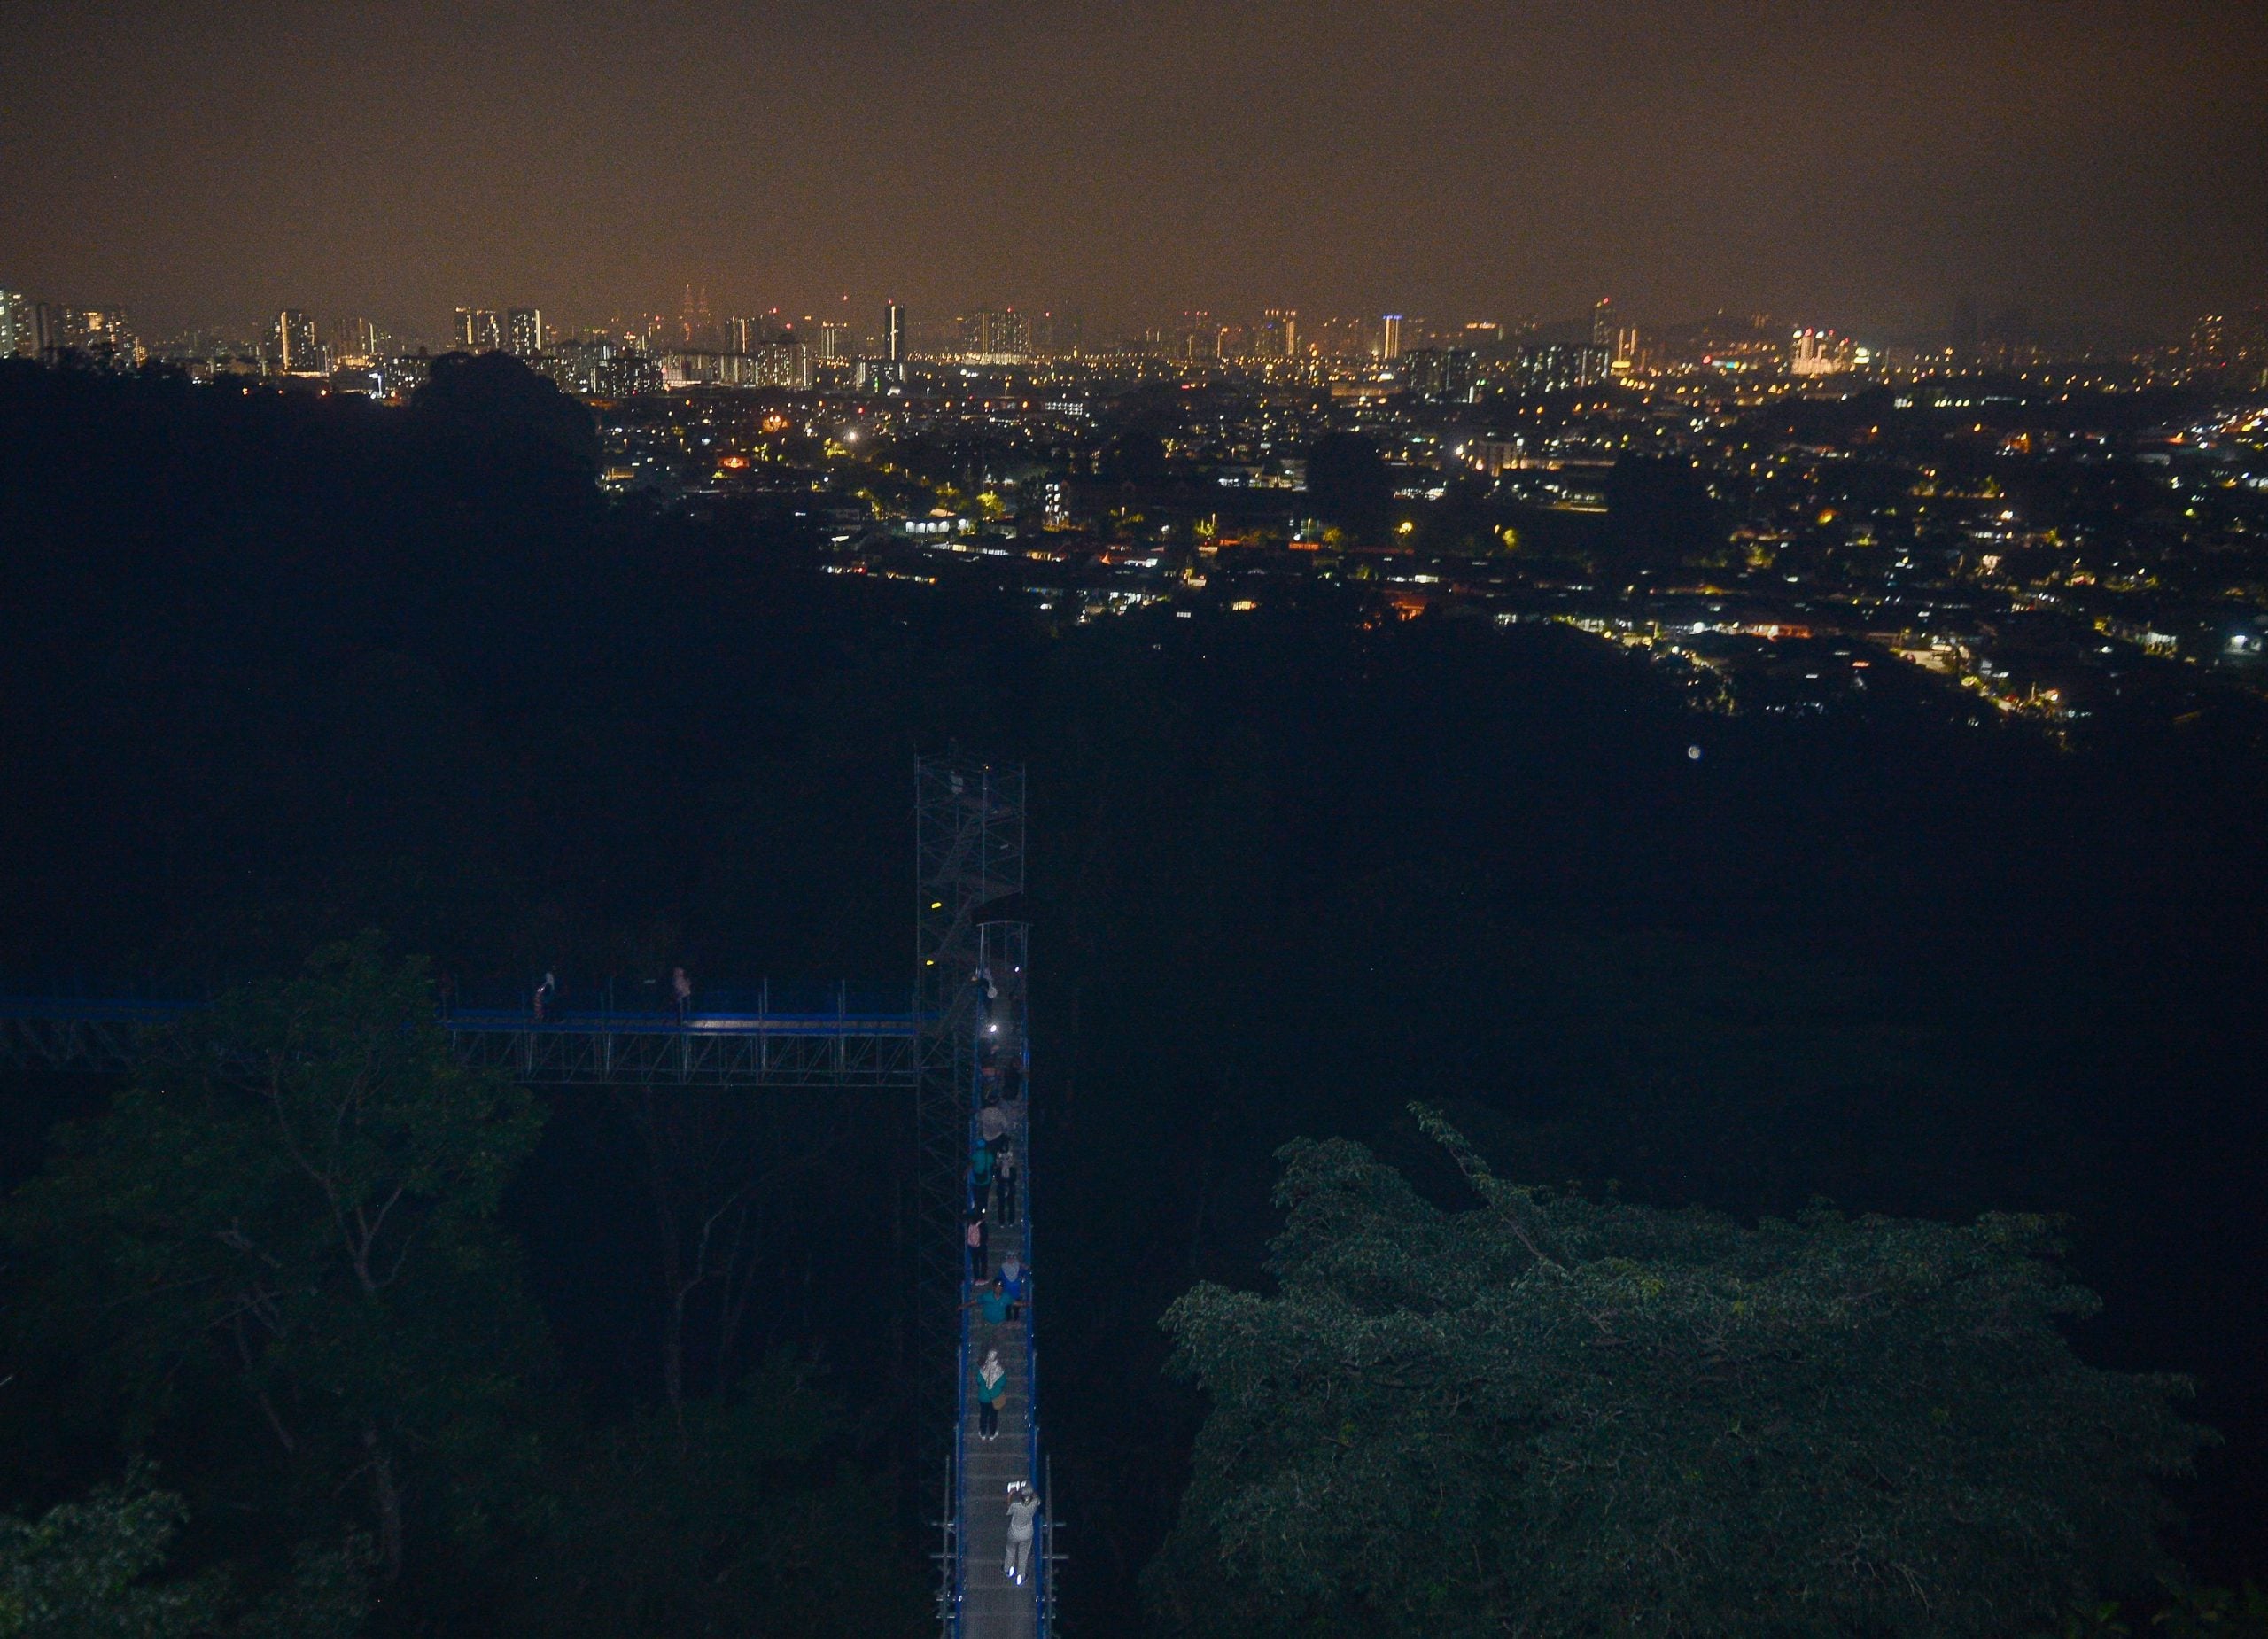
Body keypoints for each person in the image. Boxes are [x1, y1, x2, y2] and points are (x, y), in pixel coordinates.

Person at [1005, 1483, 1040, 1586]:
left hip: (1014, 1532)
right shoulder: (1034, 1504)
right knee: (1023, 1555)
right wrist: (1032, 1492)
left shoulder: (1016, 1506)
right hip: (1027, 1533)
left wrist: (1010, 1494)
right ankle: (1021, 1576)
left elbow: (1008, 1509)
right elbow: (1037, 1499)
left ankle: (1008, 1568)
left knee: (1011, 1550)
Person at [975, 1348, 1006, 1441]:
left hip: (984, 1397)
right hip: (996, 1397)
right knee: (993, 1416)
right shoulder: (1000, 1371)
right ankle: (992, 1433)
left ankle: (983, 1433)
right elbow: (1003, 1383)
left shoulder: (982, 1370)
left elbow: (978, 1381)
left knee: (983, 1415)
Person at [998, 1252, 1025, 1321]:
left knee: (1016, 1307)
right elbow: (1000, 1278)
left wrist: (1023, 1266)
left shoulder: (1018, 1267)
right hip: (1007, 1290)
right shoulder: (1003, 1268)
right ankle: (1008, 1321)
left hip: (1016, 1290)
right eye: (1009, 1258)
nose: (1011, 1259)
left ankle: (1016, 1320)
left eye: (1012, 1258)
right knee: (1008, 1306)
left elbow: (1024, 1272)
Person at [996, 1142, 1018, 1223]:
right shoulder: (999, 1168)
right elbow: (997, 1177)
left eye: (1007, 1159)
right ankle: (1001, 1221)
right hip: (1002, 1187)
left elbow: (1014, 1177)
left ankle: (1011, 1221)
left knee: (1011, 1205)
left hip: (1010, 1187)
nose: (1005, 1160)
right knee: (1001, 1205)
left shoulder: (1012, 1168)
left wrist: (1007, 1182)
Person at [965, 1212, 988, 1279]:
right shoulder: (983, 1224)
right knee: (983, 1261)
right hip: (982, 1245)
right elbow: (985, 1236)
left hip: (973, 1247)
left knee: (975, 1262)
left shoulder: (971, 1225)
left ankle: (976, 1277)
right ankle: (983, 1276)